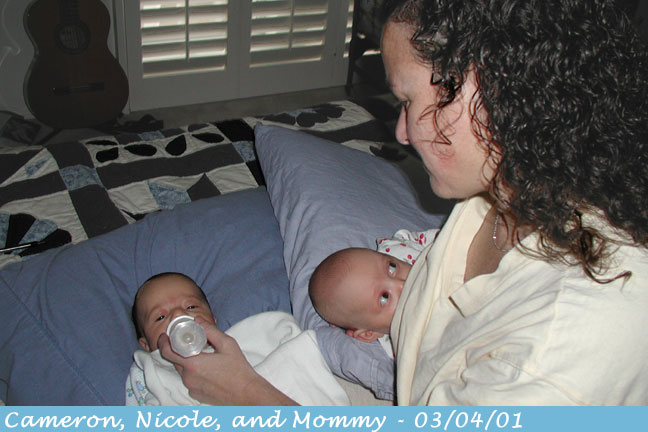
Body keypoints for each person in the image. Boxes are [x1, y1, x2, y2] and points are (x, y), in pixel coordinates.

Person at [157, 0, 648, 405]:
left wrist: (247, 394)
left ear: (496, 88)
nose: (401, 132)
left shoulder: (551, 360)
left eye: (408, 101)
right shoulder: (509, 183)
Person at [127, 272, 349, 405]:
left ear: (212, 321)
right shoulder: (150, 370)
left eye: (191, 307)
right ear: (146, 344)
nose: (178, 315)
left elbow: (292, 356)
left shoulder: (249, 338)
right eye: (160, 317)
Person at [309, 228, 438, 351]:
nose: (402, 284)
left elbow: (439, 239)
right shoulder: (406, 344)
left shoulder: (396, 249)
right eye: (384, 297)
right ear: (369, 333)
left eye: (392, 268)